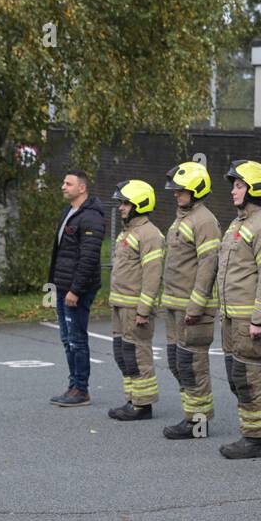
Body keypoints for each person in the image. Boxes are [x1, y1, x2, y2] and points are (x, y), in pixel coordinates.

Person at [216, 160, 261, 459]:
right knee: (235, 376)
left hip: (247, 318)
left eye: (239, 185)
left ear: (254, 188)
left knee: (248, 376)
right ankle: (249, 432)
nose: (233, 191)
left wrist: (258, 318)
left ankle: (256, 440)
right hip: (231, 316)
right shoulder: (238, 222)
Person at [160, 161, 221, 439]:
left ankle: (198, 423)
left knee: (192, 365)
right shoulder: (183, 217)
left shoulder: (204, 220)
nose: (176, 194)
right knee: (176, 362)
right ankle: (191, 415)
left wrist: (196, 306)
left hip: (192, 308)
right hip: (175, 305)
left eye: (181, 190)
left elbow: (208, 265)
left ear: (196, 190)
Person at [107, 180, 164, 421]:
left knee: (138, 354)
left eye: (125, 203)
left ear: (139, 204)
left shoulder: (149, 234)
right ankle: (132, 399)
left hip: (134, 307)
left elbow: (152, 275)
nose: (121, 208)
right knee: (122, 353)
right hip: (121, 305)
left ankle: (143, 405)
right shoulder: (128, 231)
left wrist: (143, 309)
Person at [48, 170, 104, 407]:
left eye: (68, 183)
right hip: (62, 286)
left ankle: (81, 389)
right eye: (63, 182)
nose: (63, 186)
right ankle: (73, 386)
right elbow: (60, 254)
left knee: (77, 339)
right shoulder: (70, 213)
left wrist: (76, 290)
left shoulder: (90, 217)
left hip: (76, 289)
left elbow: (88, 258)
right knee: (67, 338)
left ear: (82, 188)